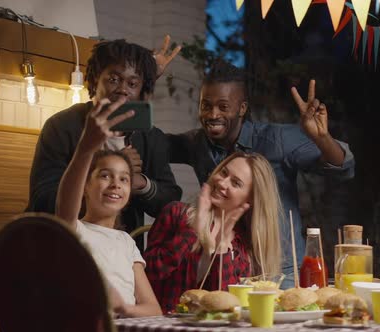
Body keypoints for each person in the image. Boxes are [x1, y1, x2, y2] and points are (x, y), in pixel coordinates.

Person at [166, 60, 355, 289]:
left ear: (242, 109)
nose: (213, 114)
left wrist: (321, 137)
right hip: (226, 268)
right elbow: (153, 143)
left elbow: (343, 166)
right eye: (206, 105)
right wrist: (144, 80)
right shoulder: (196, 144)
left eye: (223, 107)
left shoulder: (277, 140)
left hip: (279, 274)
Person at [27, 37, 182, 241]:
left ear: (141, 90)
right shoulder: (62, 126)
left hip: (120, 252)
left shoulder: (150, 137)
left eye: (133, 83)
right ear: (95, 80)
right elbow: (42, 200)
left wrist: (140, 183)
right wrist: (108, 168)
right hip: (62, 246)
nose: (123, 89)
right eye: (113, 79)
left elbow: (170, 201)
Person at [55, 96, 162, 317]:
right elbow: (66, 205)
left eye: (124, 179)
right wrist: (85, 148)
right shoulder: (74, 230)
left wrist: (123, 309)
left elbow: (153, 310)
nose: (115, 184)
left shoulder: (126, 242)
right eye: (105, 175)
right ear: (85, 185)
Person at [144, 151, 283, 313]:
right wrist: (193, 230)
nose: (223, 183)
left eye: (236, 183)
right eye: (223, 172)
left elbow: (228, 306)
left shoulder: (243, 247)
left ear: (251, 199)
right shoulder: (176, 213)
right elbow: (149, 274)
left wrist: (222, 247)